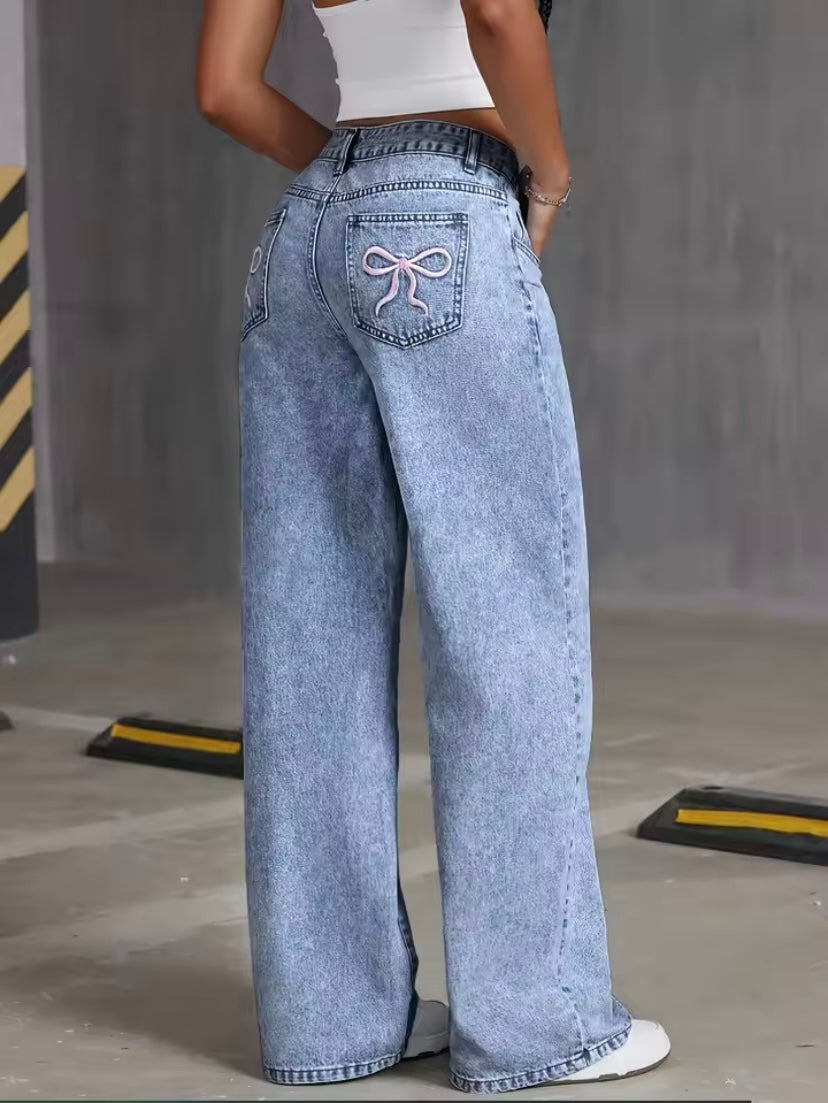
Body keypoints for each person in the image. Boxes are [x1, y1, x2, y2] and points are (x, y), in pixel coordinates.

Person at [197, 0, 670, 1093]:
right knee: (503, 626)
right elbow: (495, 11)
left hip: (304, 237)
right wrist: (548, 173)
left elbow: (224, 88)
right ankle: (540, 1025)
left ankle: (330, 1021)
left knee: (309, 652)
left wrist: (353, 183)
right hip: (446, 214)